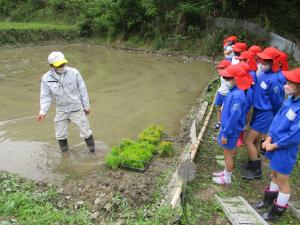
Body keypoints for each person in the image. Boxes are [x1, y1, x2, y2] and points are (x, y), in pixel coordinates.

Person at [254, 68, 300, 221]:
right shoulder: (290, 100)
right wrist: (268, 137)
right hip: (274, 142)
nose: (286, 85)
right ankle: (267, 202)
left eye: (290, 83)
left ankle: (276, 212)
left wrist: (275, 145)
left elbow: (294, 134)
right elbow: (277, 119)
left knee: (283, 180)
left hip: (284, 148)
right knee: (274, 173)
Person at [36, 51, 95, 152]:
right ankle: (64, 155)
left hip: (76, 108)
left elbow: (83, 89)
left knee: (86, 131)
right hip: (61, 110)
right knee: (60, 133)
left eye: (63, 63)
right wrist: (43, 112)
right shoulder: (46, 79)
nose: (62, 66)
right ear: (51, 65)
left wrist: (86, 106)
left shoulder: (74, 73)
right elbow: (45, 97)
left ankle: (93, 152)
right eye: (59, 65)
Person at [242, 47, 284, 180]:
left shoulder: (275, 79)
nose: (262, 63)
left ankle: (256, 171)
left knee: (247, 139)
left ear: (274, 62)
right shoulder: (263, 74)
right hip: (258, 110)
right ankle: (251, 162)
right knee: (254, 140)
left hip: (265, 114)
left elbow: (277, 101)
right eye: (262, 60)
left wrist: (274, 117)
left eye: (266, 61)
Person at [212, 64, 253, 185]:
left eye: (228, 78)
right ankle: (225, 172)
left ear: (237, 79)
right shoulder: (233, 90)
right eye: (225, 78)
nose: (225, 80)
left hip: (230, 130)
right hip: (226, 128)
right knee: (226, 152)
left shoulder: (238, 96)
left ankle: (227, 178)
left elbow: (234, 118)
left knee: (227, 154)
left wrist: (225, 133)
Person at [214, 60, 231, 129]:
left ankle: (225, 124)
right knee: (219, 109)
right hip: (220, 93)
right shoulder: (222, 74)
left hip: (226, 95)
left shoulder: (231, 76)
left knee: (223, 110)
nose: (221, 69)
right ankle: (219, 122)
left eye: (223, 68)